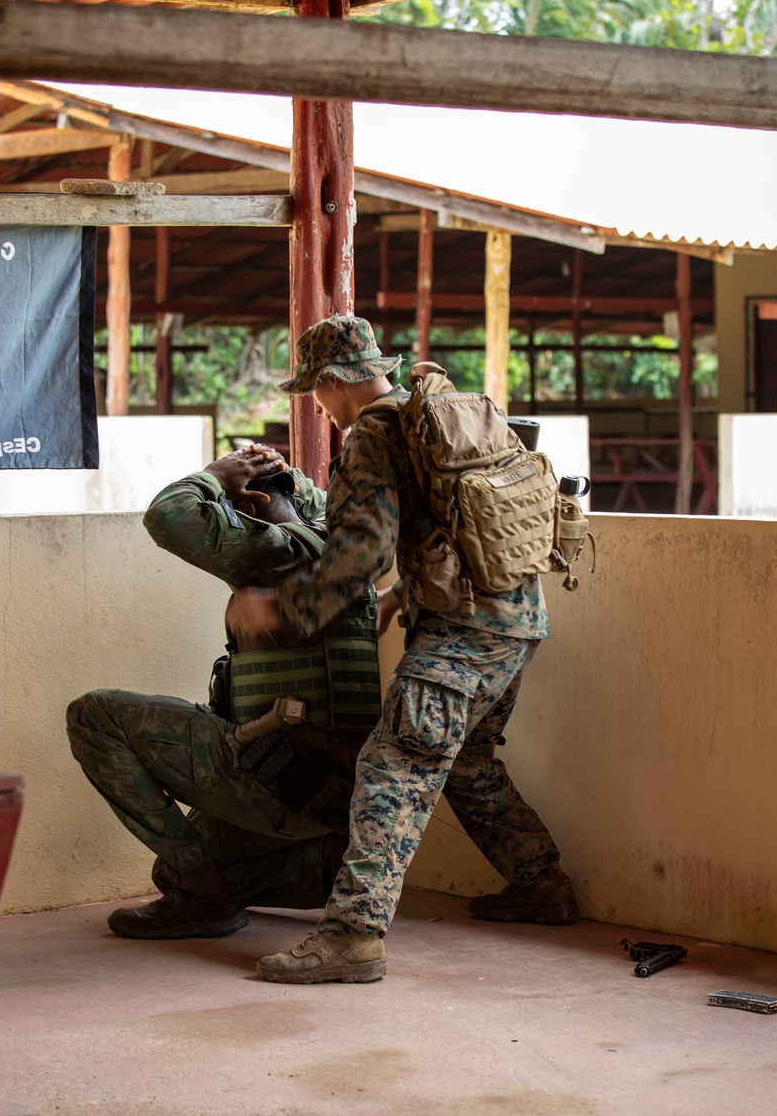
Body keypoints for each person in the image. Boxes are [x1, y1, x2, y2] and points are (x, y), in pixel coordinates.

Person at [228, 316, 578, 986]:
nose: (320, 409)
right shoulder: (434, 412)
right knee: (467, 762)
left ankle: (351, 936)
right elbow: (444, 526)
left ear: (333, 383)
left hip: (462, 638)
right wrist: (400, 597)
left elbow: (360, 549)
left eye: (315, 394)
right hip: (518, 621)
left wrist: (282, 610)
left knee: (392, 769)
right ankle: (542, 884)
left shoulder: (373, 435)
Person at [66, 445, 382, 939]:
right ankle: (326, 865)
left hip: (280, 778)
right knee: (172, 872)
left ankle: (207, 901)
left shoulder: (280, 552)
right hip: (336, 792)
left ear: (252, 508)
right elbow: (315, 502)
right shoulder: (339, 549)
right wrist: (278, 472)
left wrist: (214, 477)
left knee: (92, 715)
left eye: (235, 513)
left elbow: (169, 517)